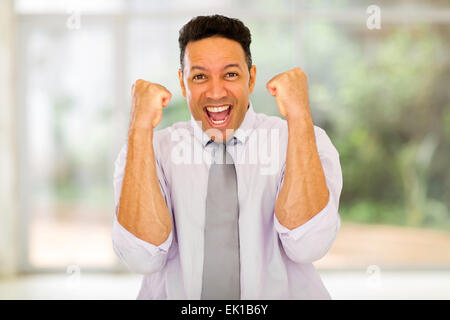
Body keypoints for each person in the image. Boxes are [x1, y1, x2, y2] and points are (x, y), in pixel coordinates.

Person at [112, 14, 342, 300]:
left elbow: (309, 245)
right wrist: (139, 127)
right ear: (183, 84)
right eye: (199, 76)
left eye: (230, 74)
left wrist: (299, 114)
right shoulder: (149, 149)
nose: (216, 91)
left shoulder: (303, 139)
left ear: (251, 78)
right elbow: (140, 258)